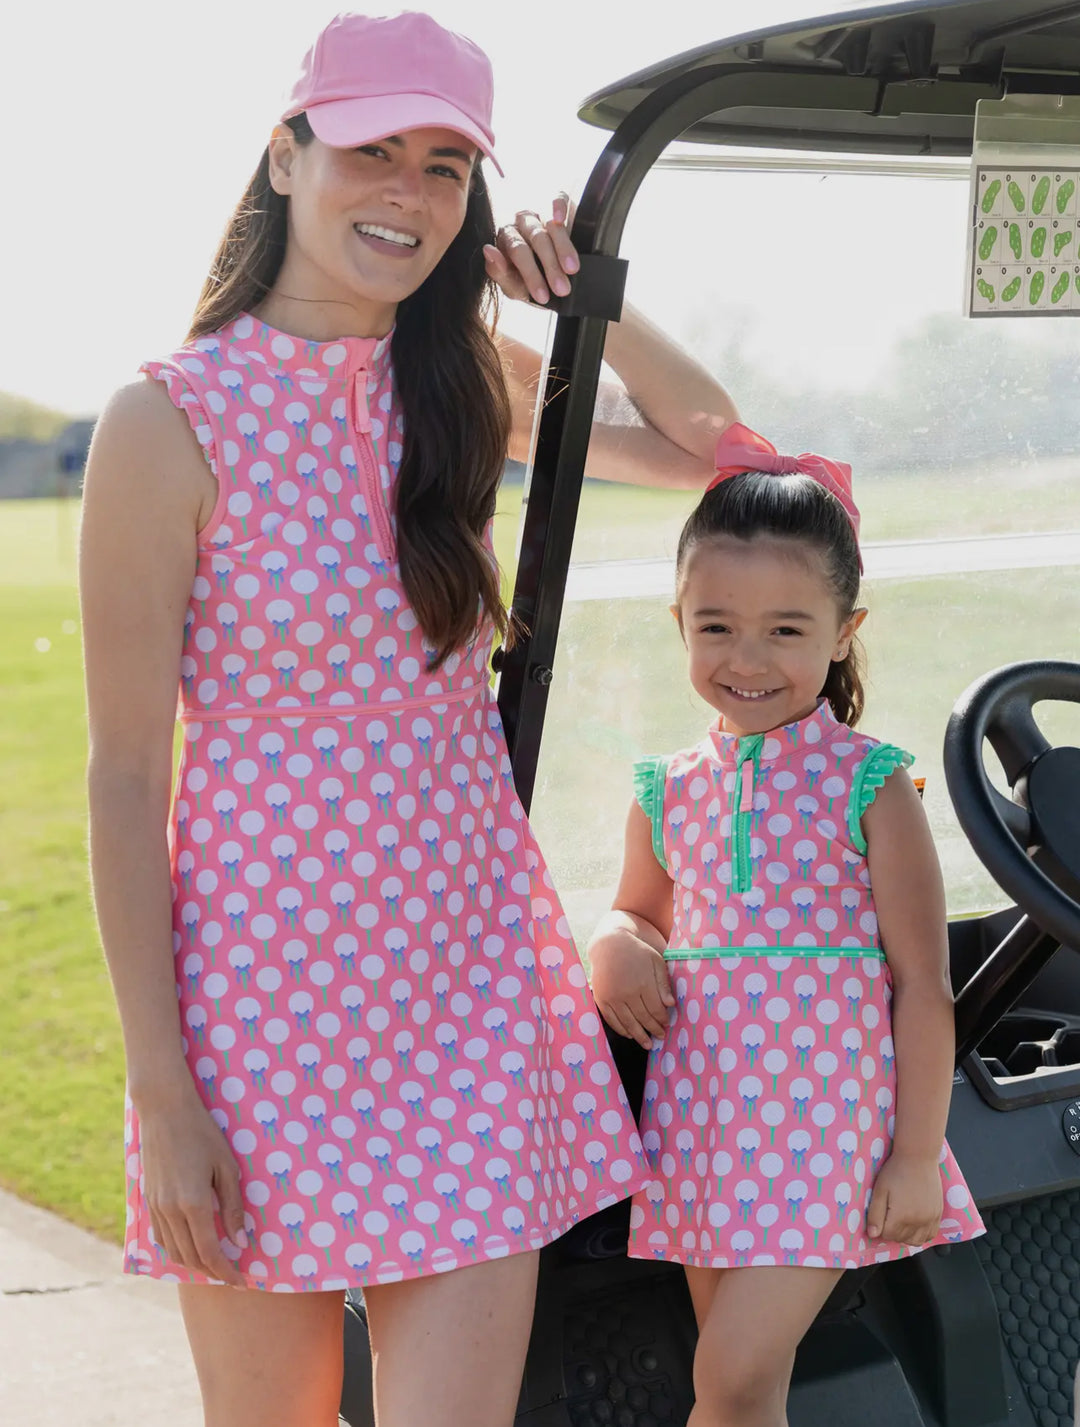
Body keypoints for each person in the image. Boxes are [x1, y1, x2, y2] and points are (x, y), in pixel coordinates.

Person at [79, 11, 738, 1427]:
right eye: (372, 151)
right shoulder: (170, 421)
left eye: (445, 166)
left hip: (470, 999)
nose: (408, 194)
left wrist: (589, 294)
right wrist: (166, 1093)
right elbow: (126, 778)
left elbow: (713, 450)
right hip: (255, 1021)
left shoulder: (462, 379)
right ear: (284, 155)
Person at [587, 423, 985, 1427]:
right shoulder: (665, 789)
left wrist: (913, 1152)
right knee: (746, 1386)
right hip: (705, 1123)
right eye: (716, 627)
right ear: (678, 618)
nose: (747, 659)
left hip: (831, 1132)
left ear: (846, 627)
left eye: (786, 629)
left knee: (725, 1377)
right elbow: (637, 909)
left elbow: (923, 982)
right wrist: (616, 940)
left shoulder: (873, 784)